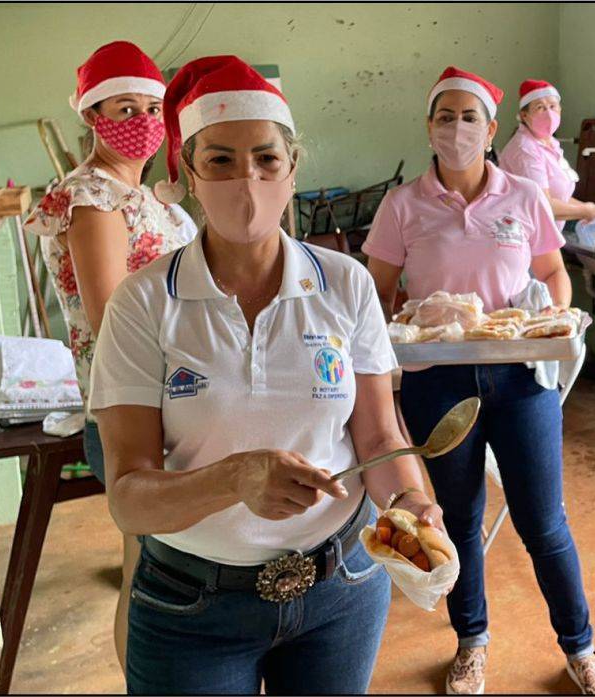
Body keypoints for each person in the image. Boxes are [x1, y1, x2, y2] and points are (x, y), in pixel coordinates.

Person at [89, 55, 443, 695]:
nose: (246, 179)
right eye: (220, 160)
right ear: (188, 173)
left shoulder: (345, 285)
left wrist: (410, 504)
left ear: (293, 168)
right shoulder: (144, 303)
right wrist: (234, 478)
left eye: (266, 159)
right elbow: (129, 498)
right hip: (192, 605)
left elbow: (379, 437)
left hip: (339, 591)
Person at [363, 67, 595, 695]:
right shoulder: (403, 205)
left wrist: (551, 319)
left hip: (520, 378)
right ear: (428, 126)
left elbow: (552, 273)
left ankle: (581, 648)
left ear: (491, 128)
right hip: (437, 381)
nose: (457, 128)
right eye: (445, 116)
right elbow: (376, 294)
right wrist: (397, 338)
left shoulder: (524, 196)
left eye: (469, 117)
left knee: (544, 522)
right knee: (458, 518)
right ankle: (471, 642)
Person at [23, 40, 193, 671]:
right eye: (125, 108)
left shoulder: (142, 195)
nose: (142, 121)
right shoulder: (95, 200)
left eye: (152, 107)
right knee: (150, 579)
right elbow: (112, 320)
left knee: (163, 571)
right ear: (93, 116)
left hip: (172, 401)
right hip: (135, 410)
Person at [498, 79, 595, 226]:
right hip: (523, 234)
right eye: (540, 107)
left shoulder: (550, 143)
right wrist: (585, 211)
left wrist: (589, 211)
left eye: (553, 106)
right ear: (524, 115)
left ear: (560, 110)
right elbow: (543, 206)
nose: (549, 113)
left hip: (544, 233)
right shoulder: (525, 149)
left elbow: (558, 197)